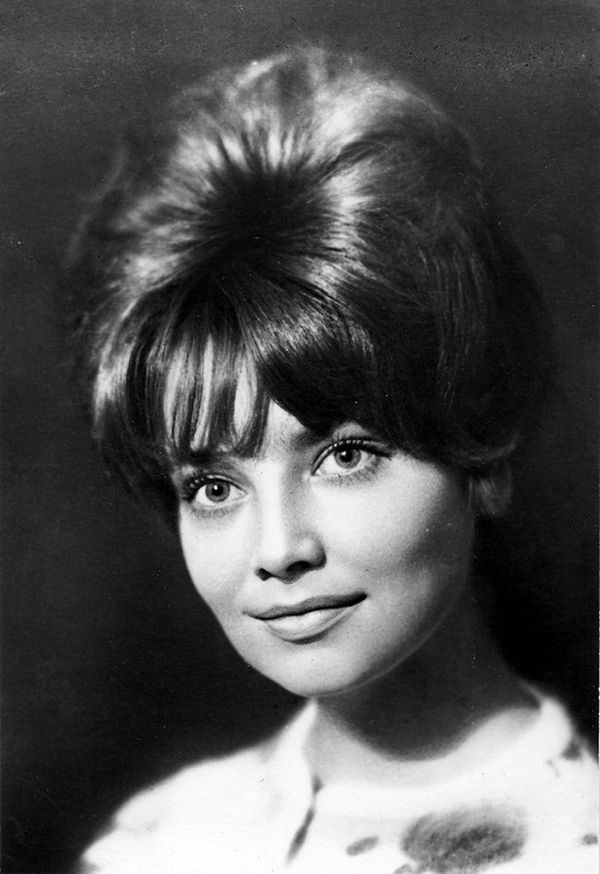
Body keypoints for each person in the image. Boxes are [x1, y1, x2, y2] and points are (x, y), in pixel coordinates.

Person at [70, 47, 597, 874]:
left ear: (485, 454)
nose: (279, 549)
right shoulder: (156, 843)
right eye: (213, 486)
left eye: (345, 455)